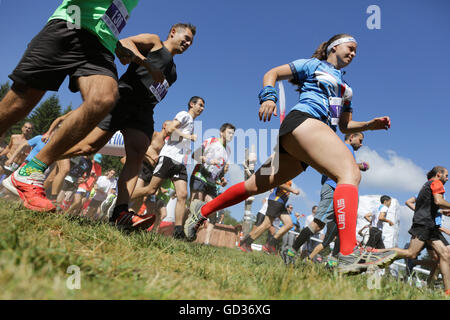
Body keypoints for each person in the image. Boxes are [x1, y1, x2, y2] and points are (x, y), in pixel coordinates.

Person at [185, 33, 397, 274]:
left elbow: (345, 126)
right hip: (303, 123)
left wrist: (370, 124)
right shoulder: (313, 65)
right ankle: (348, 253)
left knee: (254, 185)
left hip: (306, 141)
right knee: (350, 173)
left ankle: (200, 211)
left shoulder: (346, 90)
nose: (353, 54)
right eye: (350, 48)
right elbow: (272, 74)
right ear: (333, 47)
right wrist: (269, 96)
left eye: (356, 51)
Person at [2, 1, 152, 212]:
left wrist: (122, 49)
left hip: (102, 45)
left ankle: (30, 172)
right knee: (19, 103)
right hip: (69, 24)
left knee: (104, 98)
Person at [59, 23, 196, 229]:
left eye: (190, 42)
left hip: (144, 111)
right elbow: (124, 42)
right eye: (185, 37)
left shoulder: (174, 72)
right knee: (89, 147)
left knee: (138, 153)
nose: (187, 43)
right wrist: (147, 64)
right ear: (173, 32)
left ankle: (120, 212)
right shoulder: (154, 42)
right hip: (125, 97)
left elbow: (157, 88)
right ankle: (39, 163)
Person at [281, 132, 369, 265]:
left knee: (341, 229)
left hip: (337, 189)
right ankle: (290, 252)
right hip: (334, 188)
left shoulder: (341, 149)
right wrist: (361, 166)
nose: (361, 144)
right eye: (360, 140)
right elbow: (345, 166)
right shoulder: (347, 148)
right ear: (351, 137)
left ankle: (332, 263)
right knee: (318, 225)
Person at [130, 96, 205, 238]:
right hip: (168, 158)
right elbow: (170, 129)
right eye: (200, 105)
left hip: (180, 163)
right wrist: (188, 137)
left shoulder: (192, 122)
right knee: (151, 190)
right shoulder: (184, 115)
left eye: (203, 106)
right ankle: (122, 198)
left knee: (183, 195)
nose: (202, 108)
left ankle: (178, 230)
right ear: (191, 104)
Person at [378, 166, 450, 296]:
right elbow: (438, 201)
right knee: (411, 253)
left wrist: (442, 211)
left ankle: (447, 291)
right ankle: (375, 253)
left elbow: (429, 205)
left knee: (445, 254)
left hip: (428, 224)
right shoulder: (436, 183)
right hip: (424, 224)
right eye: (446, 175)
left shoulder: (426, 185)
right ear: (439, 174)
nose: (448, 178)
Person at [238, 181, 300, 253]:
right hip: (276, 201)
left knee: (289, 224)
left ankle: (270, 244)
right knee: (266, 224)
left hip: (282, 203)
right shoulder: (286, 171)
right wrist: (292, 190)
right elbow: (279, 183)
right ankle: (246, 243)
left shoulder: (290, 174)